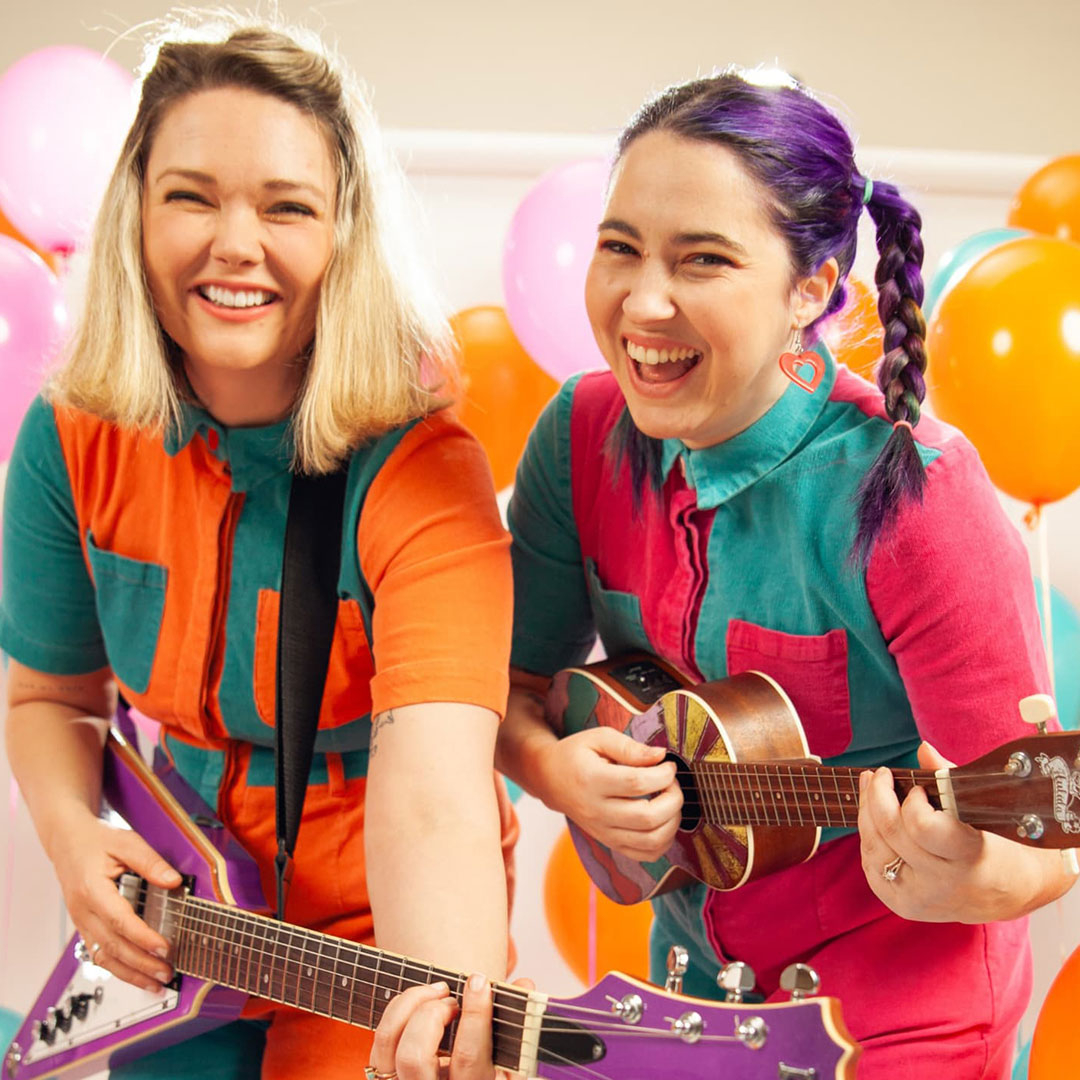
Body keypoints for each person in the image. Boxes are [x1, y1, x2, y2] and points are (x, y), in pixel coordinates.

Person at [492, 70, 1078, 1079]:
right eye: (620, 247)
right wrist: (554, 773)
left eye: (703, 259)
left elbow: (1045, 847)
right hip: (691, 999)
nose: (644, 301)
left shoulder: (917, 493)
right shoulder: (579, 435)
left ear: (810, 289)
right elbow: (496, 689)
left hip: (897, 1026)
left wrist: (969, 879)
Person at [1, 16, 517, 1079]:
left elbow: (436, 800)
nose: (236, 243)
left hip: (376, 938)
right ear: (137, 213)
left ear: (345, 237)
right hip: (180, 915)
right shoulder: (68, 432)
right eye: (191, 196)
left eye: (288, 207)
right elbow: (50, 695)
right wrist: (72, 838)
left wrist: (446, 1015)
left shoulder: (424, 470)